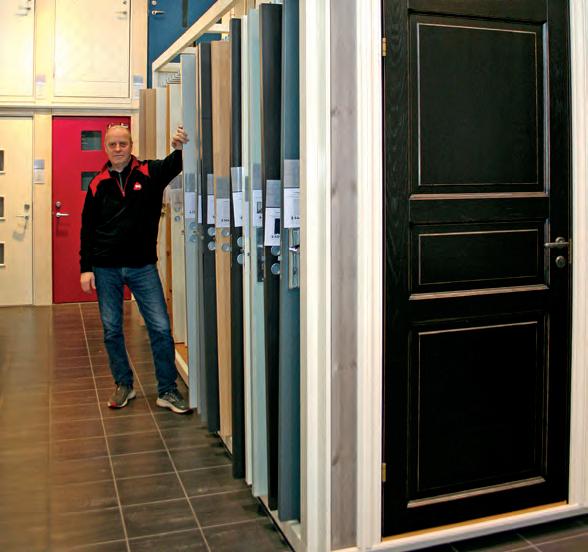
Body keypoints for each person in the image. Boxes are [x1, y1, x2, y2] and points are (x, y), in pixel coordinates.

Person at [80, 122, 192, 414]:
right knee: (112, 329)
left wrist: (179, 145)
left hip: (142, 266)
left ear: (131, 145)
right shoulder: (97, 183)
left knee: (160, 327)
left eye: (123, 144)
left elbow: (176, 162)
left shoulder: (149, 172)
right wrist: (86, 267)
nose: (118, 149)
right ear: (106, 148)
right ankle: (123, 384)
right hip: (105, 267)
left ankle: (167, 390)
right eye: (113, 144)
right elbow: (87, 229)